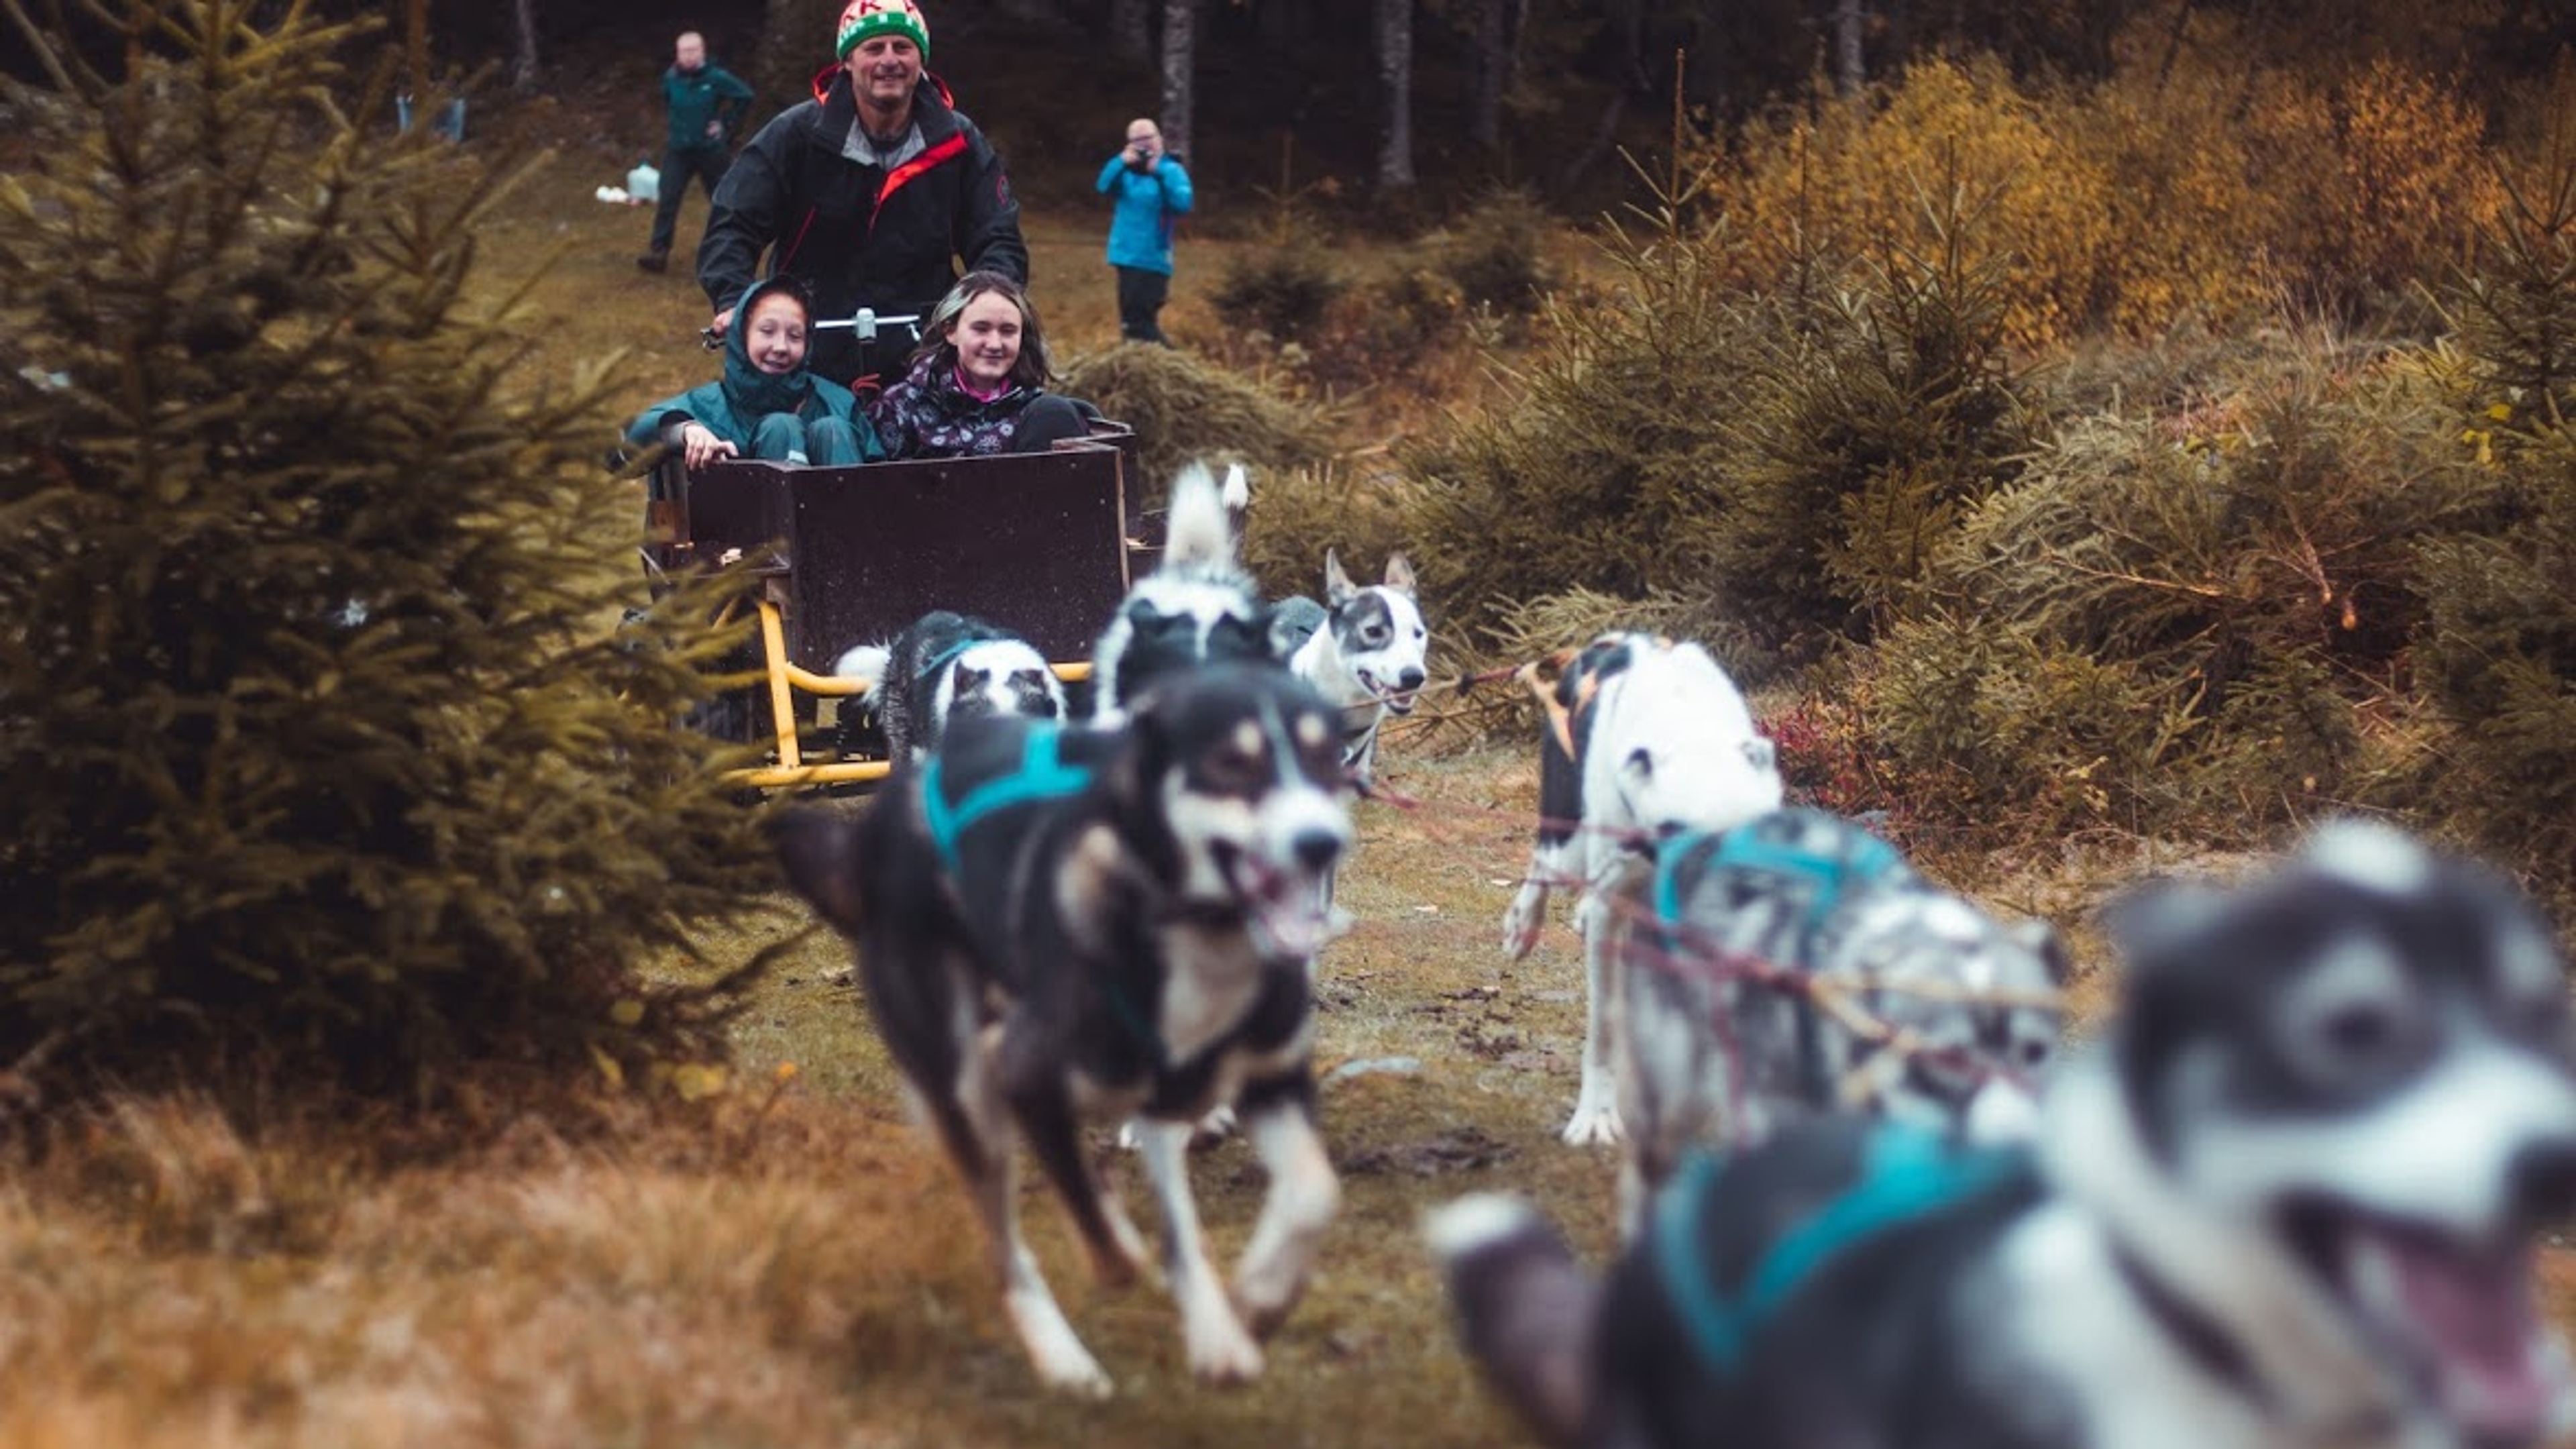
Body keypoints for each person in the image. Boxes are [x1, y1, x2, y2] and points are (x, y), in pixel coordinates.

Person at [696, 0, 1028, 388]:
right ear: (847, 62)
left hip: (926, 350)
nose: (889, 60)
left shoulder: (959, 142)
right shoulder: (795, 135)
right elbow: (734, 222)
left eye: (902, 48)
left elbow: (998, 235)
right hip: (809, 342)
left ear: (921, 60)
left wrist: (988, 305)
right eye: (874, 48)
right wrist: (733, 299)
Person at [627, 277, 880, 468]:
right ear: (741, 336)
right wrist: (683, 431)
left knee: (832, 429)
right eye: (767, 331)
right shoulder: (709, 406)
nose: (781, 347)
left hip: (846, 531)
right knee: (780, 427)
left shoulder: (838, 402)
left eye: (795, 336)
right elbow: (618, 451)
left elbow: (885, 475)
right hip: (741, 535)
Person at [867, 271, 1097, 460]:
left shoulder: (1038, 414)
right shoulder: (900, 407)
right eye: (981, 329)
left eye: (1008, 331)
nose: (995, 344)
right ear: (951, 331)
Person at [637, 31, 753, 275]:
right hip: (679, 150)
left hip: (710, 151)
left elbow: (745, 96)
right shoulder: (671, 79)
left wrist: (725, 125)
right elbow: (669, 103)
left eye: (693, 51)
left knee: (723, 201)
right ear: (677, 54)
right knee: (668, 198)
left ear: (702, 52)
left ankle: (731, 253)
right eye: (684, 51)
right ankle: (659, 252)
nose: (688, 56)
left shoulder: (716, 77)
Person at [1095, 117, 1193, 345]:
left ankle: (1174, 368)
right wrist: (1121, 162)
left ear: (1159, 139)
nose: (1145, 144)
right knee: (1129, 325)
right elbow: (1103, 186)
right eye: (1137, 140)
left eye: (1149, 138)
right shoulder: (1126, 175)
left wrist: (1157, 171)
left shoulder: (1172, 170)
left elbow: (1183, 203)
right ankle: (1139, 369)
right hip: (1125, 256)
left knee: (1141, 325)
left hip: (1152, 258)